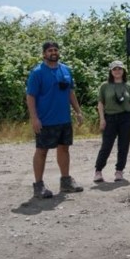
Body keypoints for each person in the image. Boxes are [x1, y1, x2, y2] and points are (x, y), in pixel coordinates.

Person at [25, 41, 85, 199]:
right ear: (44, 54)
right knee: (42, 151)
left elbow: (70, 92)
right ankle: (39, 186)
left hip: (64, 119)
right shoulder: (37, 72)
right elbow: (30, 97)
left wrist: (78, 112)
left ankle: (65, 182)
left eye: (55, 50)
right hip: (45, 120)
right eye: (50, 50)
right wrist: (34, 118)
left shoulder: (65, 70)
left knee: (64, 149)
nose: (53, 52)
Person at [94, 61, 130, 182]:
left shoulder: (129, 86)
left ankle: (119, 171)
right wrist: (102, 119)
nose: (117, 71)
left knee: (123, 146)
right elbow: (100, 103)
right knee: (106, 145)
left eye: (120, 69)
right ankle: (98, 171)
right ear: (111, 71)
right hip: (110, 118)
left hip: (125, 118)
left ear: (123, 71)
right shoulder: (105, 86)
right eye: (114, 69)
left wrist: (123, 102)